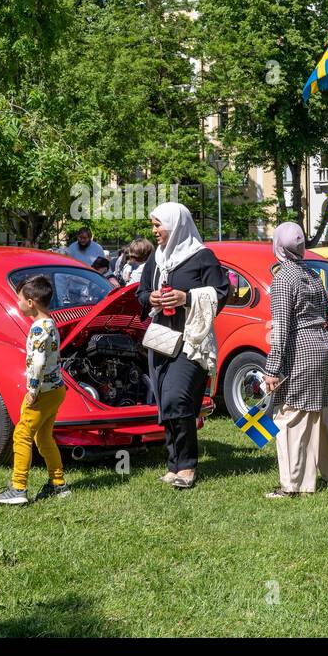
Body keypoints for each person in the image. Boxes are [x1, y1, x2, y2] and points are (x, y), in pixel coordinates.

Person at [262, 221, 328, 497]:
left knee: (291, 418)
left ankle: (295, 486)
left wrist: (271, 369)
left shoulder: (283, 279)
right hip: (326, 351)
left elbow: (281, 326)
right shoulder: (312, 275)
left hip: (302, 353)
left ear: (279, 247)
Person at [135, 202, 229, 489]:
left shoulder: (202, 257)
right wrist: (150, 298)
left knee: (178, 398)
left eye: (157, 225)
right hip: (162, 338)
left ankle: (187, 465)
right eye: (152, 225)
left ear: (175, 224)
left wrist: (185, 297)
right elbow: (140, 292)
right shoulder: (157, 258)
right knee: (165, 401)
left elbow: (222, 292)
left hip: (192, 340)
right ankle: (173, 463)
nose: (154, 231)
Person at [0, 274, 70, 505]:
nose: (17, 303)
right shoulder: (52, 323)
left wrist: (33, 390)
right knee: (44, 436)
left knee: (22, 434)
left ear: (31, 302)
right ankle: (58, 483)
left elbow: (37, 362)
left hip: (43, 391)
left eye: (19, 299)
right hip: (57, 389)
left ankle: (18, 488)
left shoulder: (37, 328)